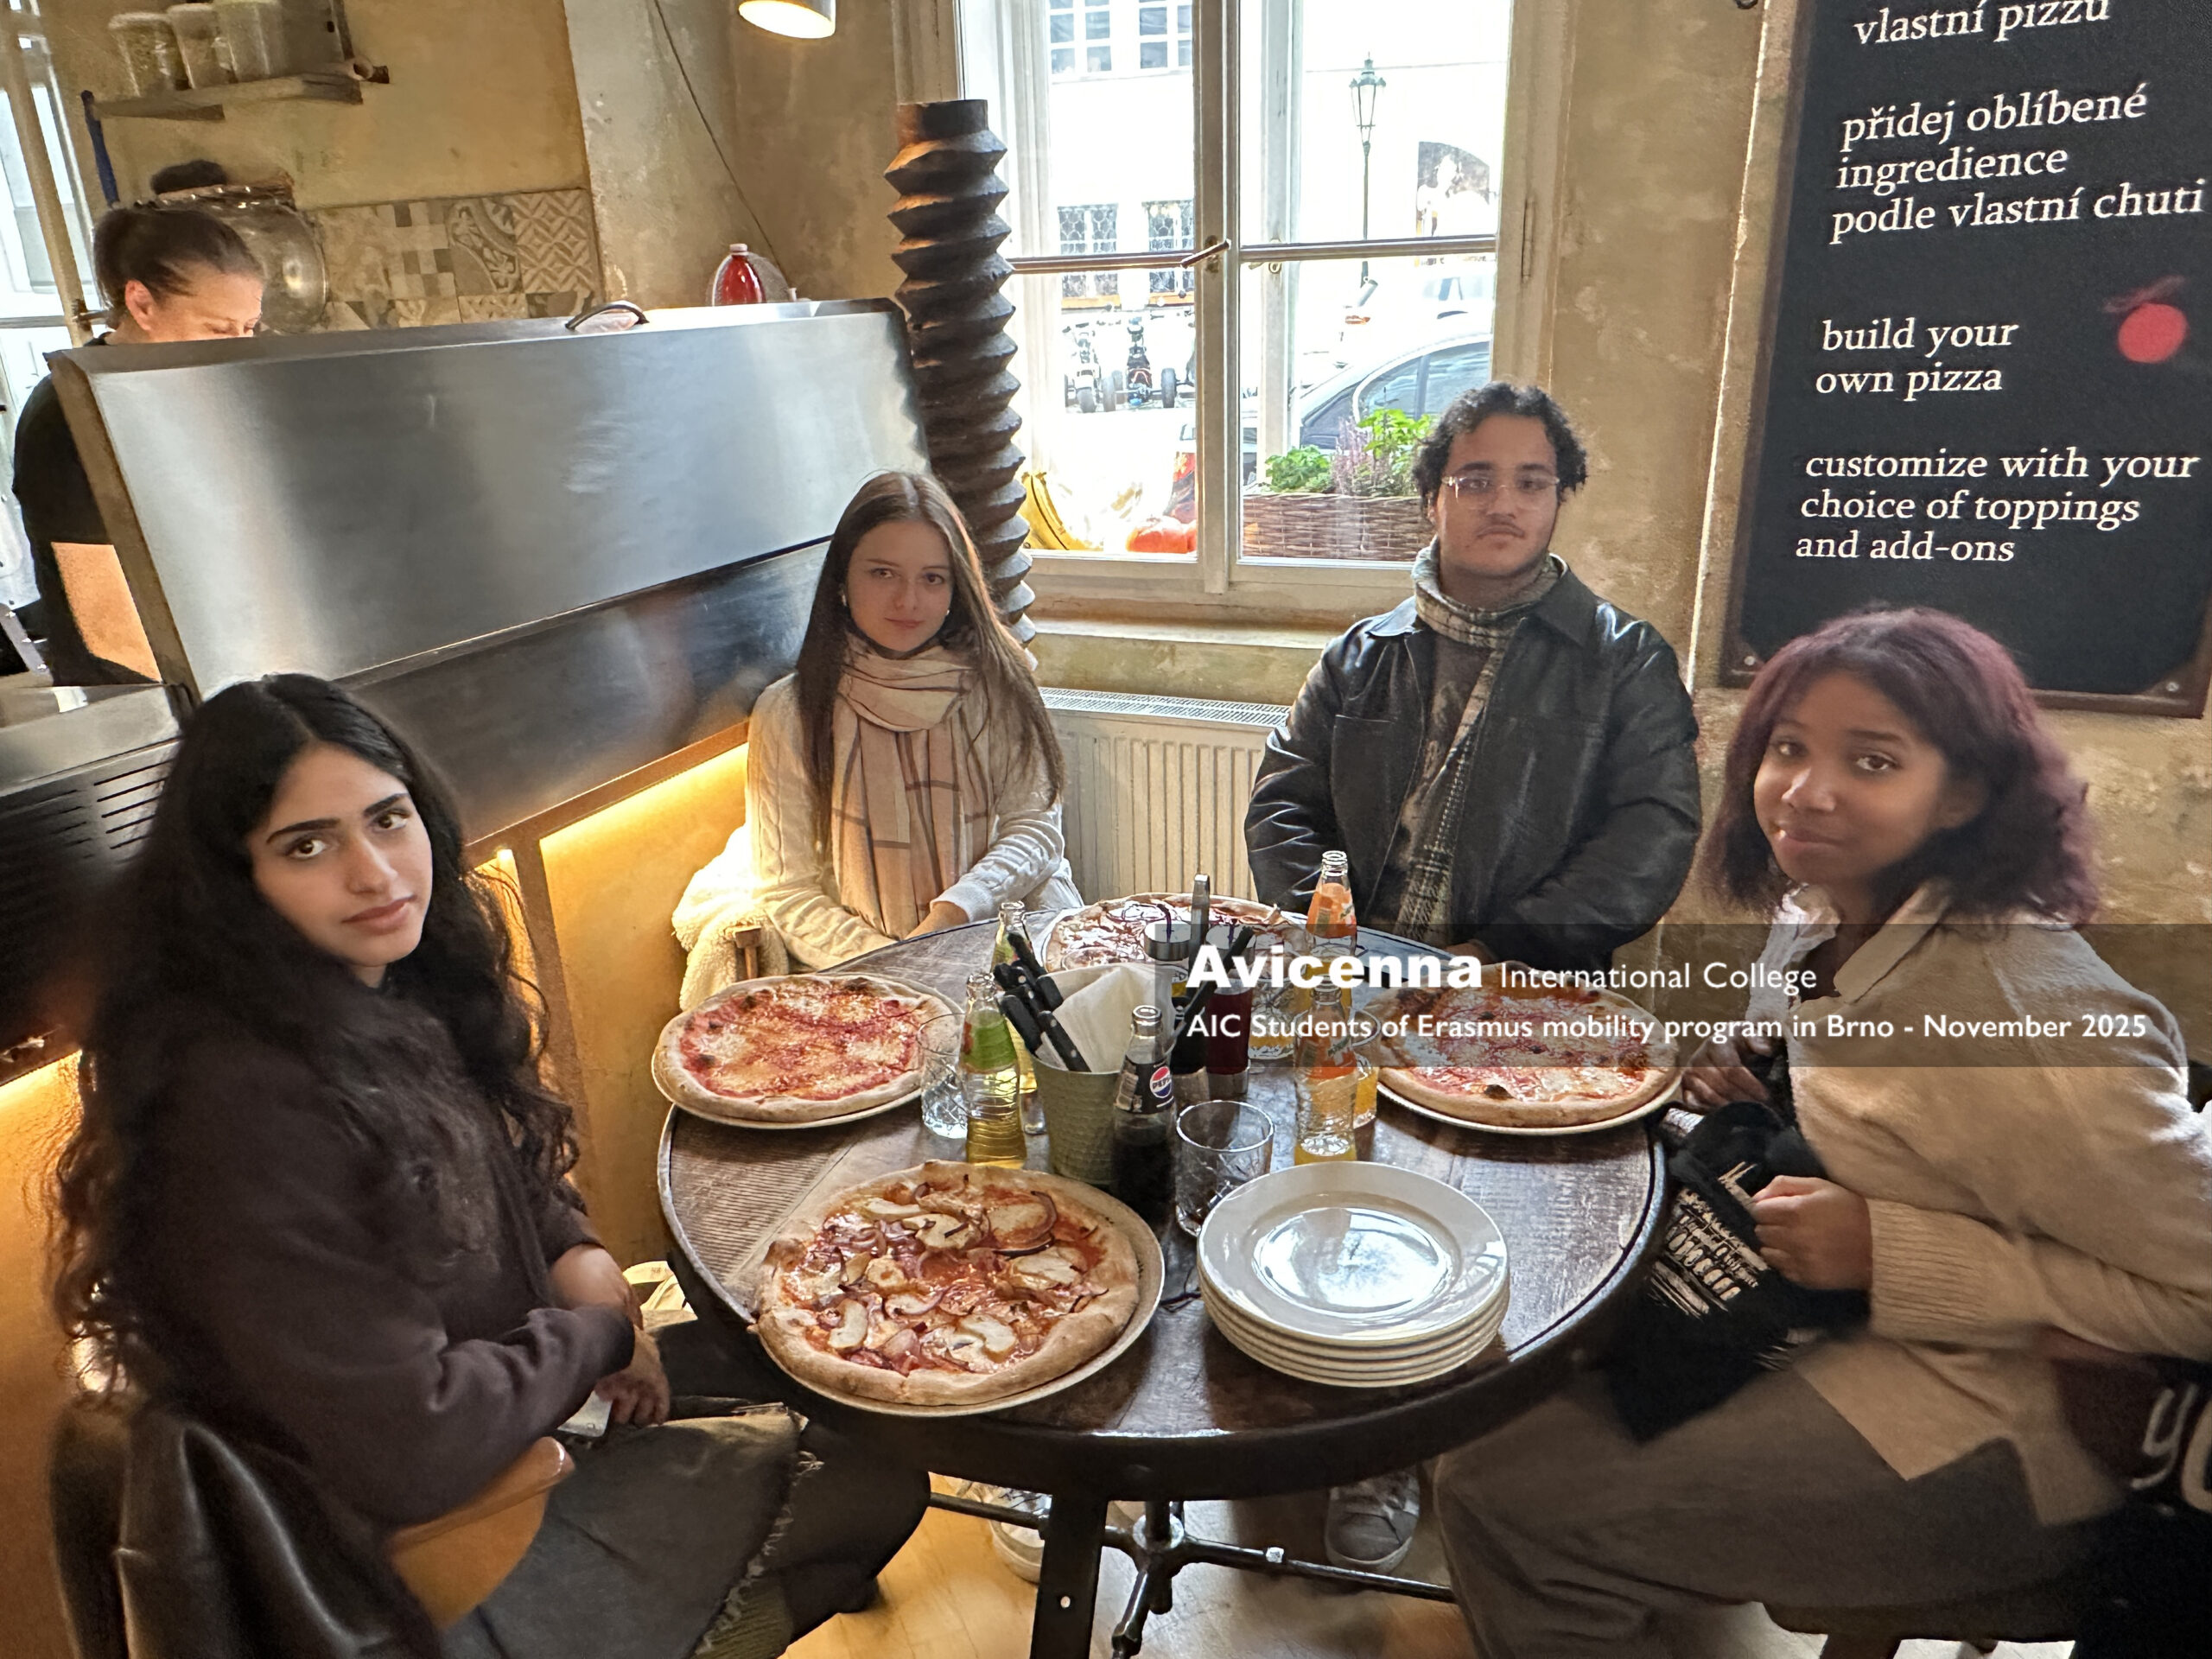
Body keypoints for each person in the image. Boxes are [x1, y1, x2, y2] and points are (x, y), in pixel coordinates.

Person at [50, 674, 927, 1658]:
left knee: (847, 1393)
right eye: (307, 845)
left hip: (512, 1404)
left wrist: (580, 1257)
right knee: (873, 1480)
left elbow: (498, 1161)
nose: (375, 873)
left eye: (387, 819)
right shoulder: (246, 1109)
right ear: (230, 880)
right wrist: (598, 1335)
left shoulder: (375, 988)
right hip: (412, 1552)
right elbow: (411, 1444)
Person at [1433, 608, 2212, 1658]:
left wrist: (1892, 1251)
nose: (1805, 790)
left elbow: (2197, 1295)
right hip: (1809, 1313)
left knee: (1502, 1498)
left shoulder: (2028, 1019)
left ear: (1965, 793)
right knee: (1496, 1343)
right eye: (1788, 748)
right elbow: (1850, 1090)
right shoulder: (1823, 912)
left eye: (1871, 760)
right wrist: (1746, 1071)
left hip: (2004, 1420)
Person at [1243, 382, 1700, 1572]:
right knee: (1335, 1198)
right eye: (1476, 479)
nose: (1503, 504)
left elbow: (1651, 837)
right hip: (1355, 982)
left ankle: (1400, 1446)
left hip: (1518, 1002)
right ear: (1434, 497)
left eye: (1531, 481)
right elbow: (1282, 800)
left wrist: (1503, 956)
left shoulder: (1623, 662)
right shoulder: (1362, 654)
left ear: (1561, 498)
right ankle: (1318, 1412)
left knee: (1464, 1227)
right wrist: (1336, 936)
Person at [684, 470, 1079, 982]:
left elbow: (1035, 831)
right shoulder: (790, 712)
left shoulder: (1001, 684)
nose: (908, 601)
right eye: (883, 573)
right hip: (863, 973)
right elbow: (788, 891)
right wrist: (898, 967)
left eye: (932, 578)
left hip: (1000, 945)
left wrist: (952, 913)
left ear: (956, 588)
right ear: (842, 580)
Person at [10, 203, 264, 684]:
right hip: (136, 693)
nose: (238, 346)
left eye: (249, 327)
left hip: (227, 669)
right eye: (217, 329)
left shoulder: (197, 390)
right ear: (142, 304)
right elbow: (110, 628)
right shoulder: (67, 417)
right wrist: (225, 698)